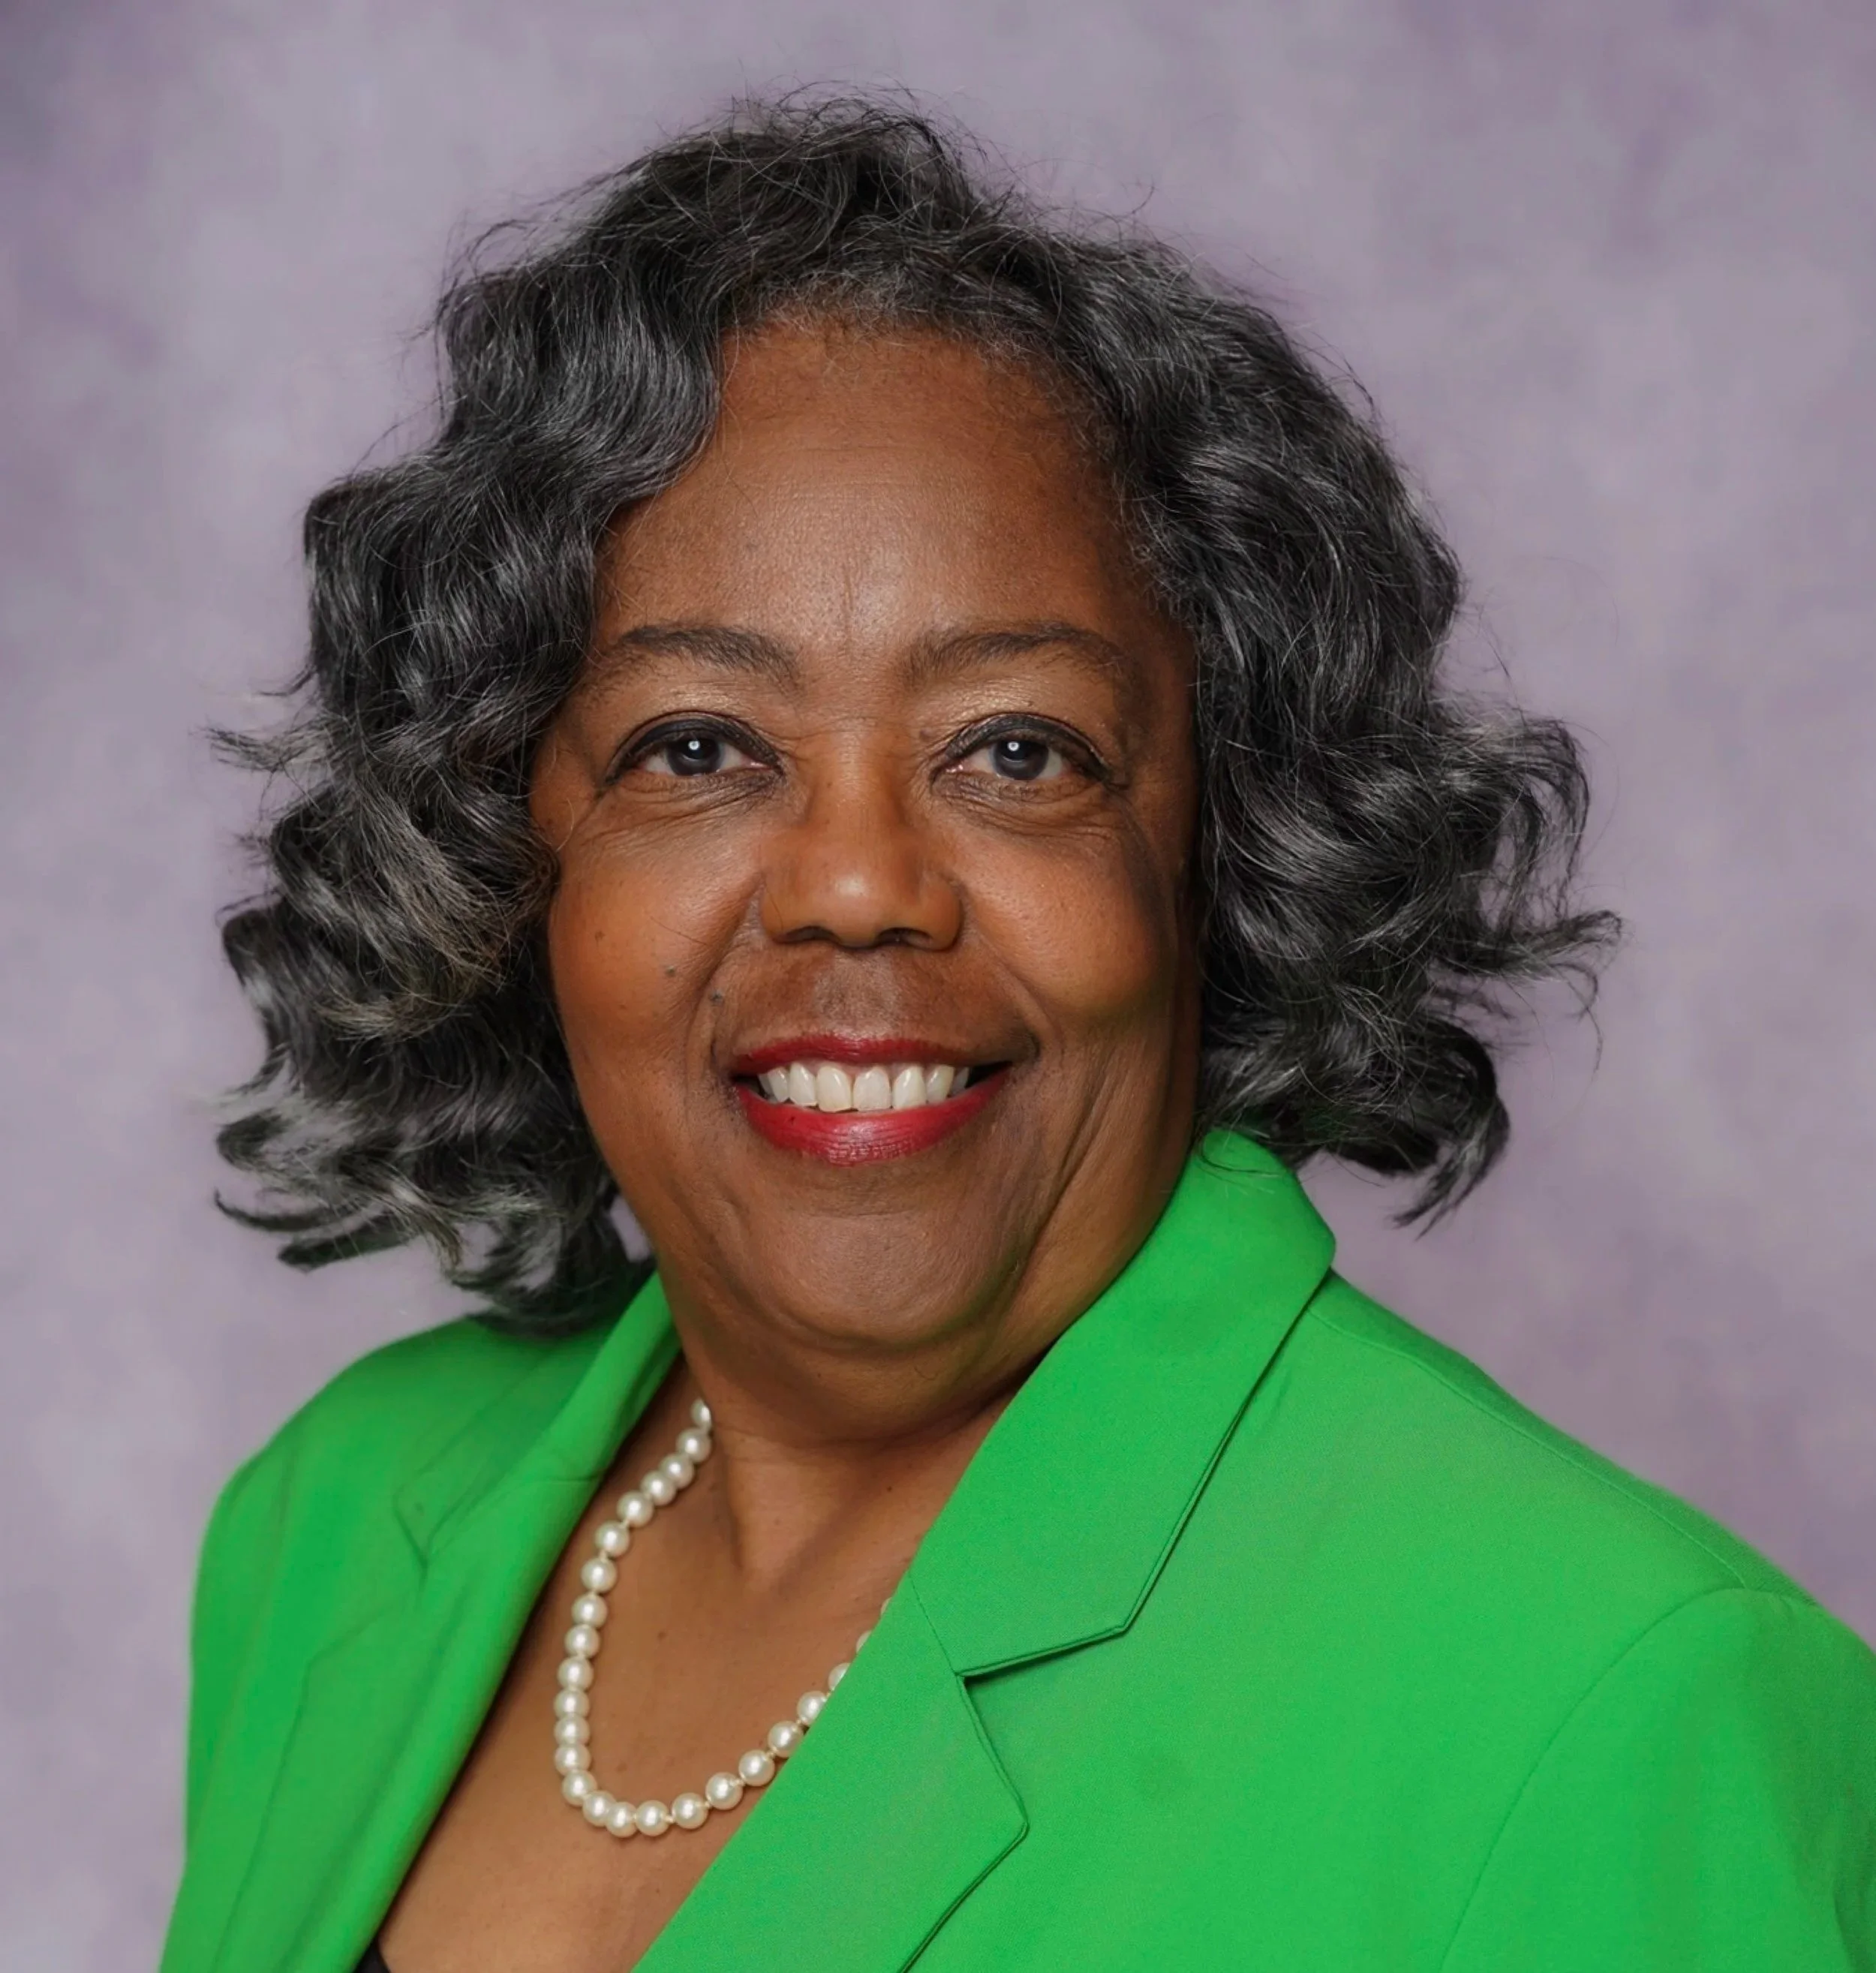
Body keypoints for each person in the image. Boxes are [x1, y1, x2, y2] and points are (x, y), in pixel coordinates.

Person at [159, 98, 1876, 1973]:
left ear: (1225, 845)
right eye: (696, 747)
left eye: (1016, 751)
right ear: (505, 857)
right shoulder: (336, 1525)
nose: (854, 887)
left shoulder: (1608, 1706)